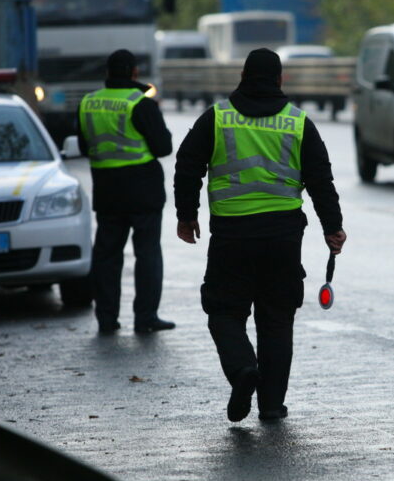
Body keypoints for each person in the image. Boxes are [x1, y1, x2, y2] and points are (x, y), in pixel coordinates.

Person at [174, 48, 346, 422]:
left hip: (231, 237)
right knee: (277, 319)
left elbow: (187, 164)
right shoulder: (298, 123)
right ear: (280, 80)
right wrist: (332, 227)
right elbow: (320, 180)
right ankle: (270, 404)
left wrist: (186, 216)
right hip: (283, 238)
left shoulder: (217, 118)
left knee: (223, 311)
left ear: (242, 76)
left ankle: (242, 370)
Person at [78, 49, 175, 334]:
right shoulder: (140, 103)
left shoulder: (88, 103)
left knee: (107, 255)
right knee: (147, 255)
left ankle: (106, 319)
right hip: (143, 191)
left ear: (107, 73)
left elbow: (85, 148)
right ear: (134, 74)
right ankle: (145, 318)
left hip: (107, 191)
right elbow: (163, 148)